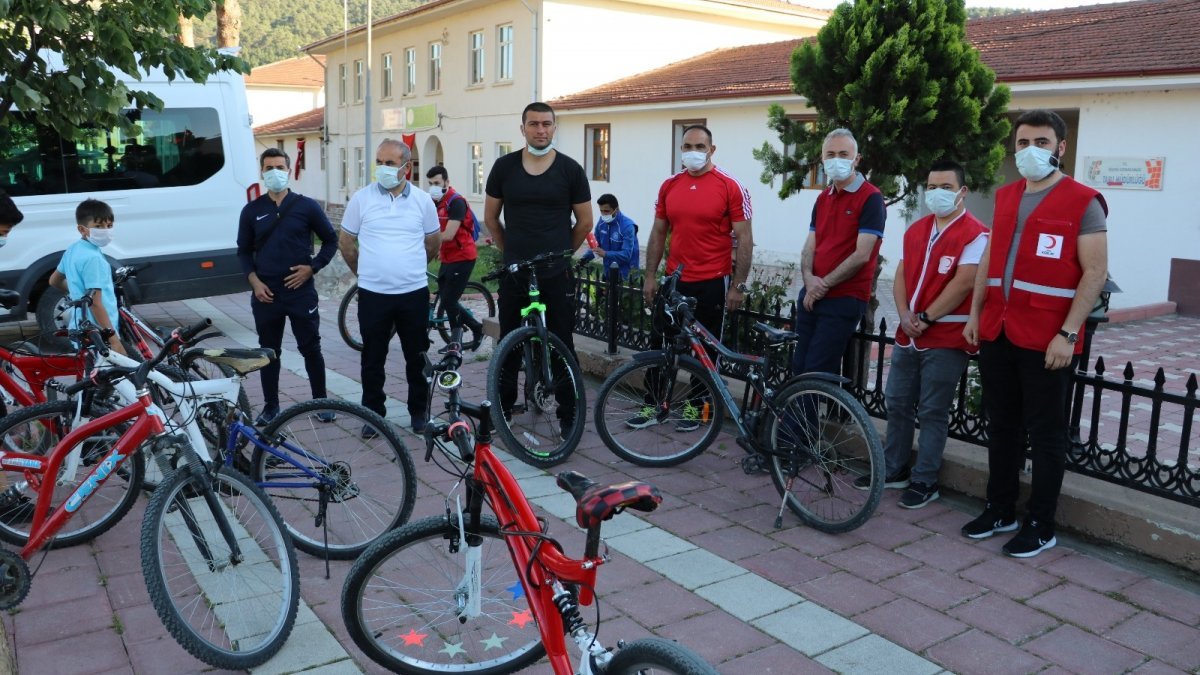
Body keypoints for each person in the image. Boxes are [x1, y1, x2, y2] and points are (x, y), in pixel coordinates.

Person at [962, 109, 1108, 558]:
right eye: (1023, 142)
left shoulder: (1084, 201)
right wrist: (974, 313)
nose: (1030, 151)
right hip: (999, 331)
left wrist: (1067, 334)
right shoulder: (1006, 197)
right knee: (1002, 426)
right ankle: (1000, 508)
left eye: (1041, 143)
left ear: (1061, 148)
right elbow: (990, 261)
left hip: (1048, 339)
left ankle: (1041, 523)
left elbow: (1095, 272)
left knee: (1046, 435)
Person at [859, 160, 988, 509]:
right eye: (931, 187)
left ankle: (925, 480)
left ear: (962, 192)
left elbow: (965, 282)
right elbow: (902, 274)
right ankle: (894, 467)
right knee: (897, 402)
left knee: (933, 410)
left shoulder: (976, 234)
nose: (936, 194)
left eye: (945, 187)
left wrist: (927, 317)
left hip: (945, 339)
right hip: (909, 334)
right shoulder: (917, 230)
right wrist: (903, 314)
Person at [483, 101, 592, 434]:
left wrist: (560, 256)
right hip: (516, 274)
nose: (540, 130)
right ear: (523, 128)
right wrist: (511, 254)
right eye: (534, 124)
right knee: (509, 345)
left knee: (562, 345)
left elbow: (585, 221)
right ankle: (503, 409)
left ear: (554, 128)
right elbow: (491, 218)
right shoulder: (504, 167)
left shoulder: (570, 170)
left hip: (555, 274)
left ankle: (568, 415)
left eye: (547, 124)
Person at [636, 124, 753, 432]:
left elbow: (745, 238)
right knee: (660, 343)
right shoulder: (670, 186)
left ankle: (696, 408)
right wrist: (651, 275)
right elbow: (659, 231)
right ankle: (652, 403)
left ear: (712, 150)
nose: (693, 152)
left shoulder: (730, 186)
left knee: (706, 350)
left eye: (700, 147)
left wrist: (738, 286)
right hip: (675, 281)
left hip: (713, 281)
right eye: (687, 146)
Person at [339, 139, 440, 436]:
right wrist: (367, 272)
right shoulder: (362, 198)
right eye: (379, 162)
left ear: (406, 168)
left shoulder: (422, 201)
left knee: (417, 356)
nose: (382, 168)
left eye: (390, 163)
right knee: (373, 357)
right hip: (373, 294)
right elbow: (346, 242)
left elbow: (433, 242)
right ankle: (373, 414)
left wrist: (410, 266)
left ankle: (419, 412)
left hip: (413, 293)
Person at [236, 148, 339, 425]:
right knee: (269, 351)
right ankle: (271, 407)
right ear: (262, 171)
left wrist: (313, 268)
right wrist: (255, 282)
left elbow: (331, 240)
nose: (274, 173)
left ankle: (321, 402)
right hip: (266, 293)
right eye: (269, 168)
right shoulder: (252, 210)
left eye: (279, 167)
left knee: (311, 348)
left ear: (289, 169)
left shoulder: (307, 206)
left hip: (300, 291)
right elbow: (243, 251)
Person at [793, 128, 886, 378]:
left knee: (815, 372)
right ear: (822, 160)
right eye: (830, 154)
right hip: (812, 294)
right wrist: (809, 280)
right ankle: (796, 418)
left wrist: (822, 285)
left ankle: (803, 418)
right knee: (798, 368)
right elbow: (809, 247)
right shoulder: (823, 198)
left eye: (843, 154)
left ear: (856, 159)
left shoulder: (871, 198)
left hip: (844, 297)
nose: (836, 159)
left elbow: (862, 254)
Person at [48, 199, 126, 355]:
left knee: (90, 373)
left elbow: (54, 281)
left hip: (80, 326)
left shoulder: (73, 249)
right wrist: (114, 341)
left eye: (109, 226)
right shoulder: (93, 258)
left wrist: (79, 293)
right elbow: (96, 304)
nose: (105, 230)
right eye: (98, 226)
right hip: (99, 332)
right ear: (82, 229)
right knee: (112, 375)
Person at [425, 165, 484, 349]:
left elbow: (449, 234)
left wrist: (427, 242)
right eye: (430, 183)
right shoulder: (436, 202)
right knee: (445, 298)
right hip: (448, 257)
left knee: (450, 301)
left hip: (463, 257)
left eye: (437, 183)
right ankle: (467, 333)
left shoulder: (456, 202)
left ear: (446, 182)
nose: (433, 187)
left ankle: (463, 337)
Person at [580, 193, 639, 279]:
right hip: (608, 271)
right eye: (601, 211)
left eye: (607, 211)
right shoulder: (601, 222)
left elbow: (626, 255)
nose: (604, 214)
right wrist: (583, 260)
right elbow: (596, 247)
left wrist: (605, 254)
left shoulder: (628, 226)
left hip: (626, 275)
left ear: (616, 209)